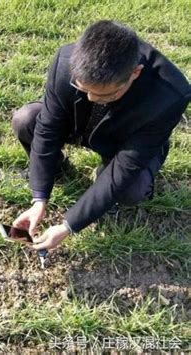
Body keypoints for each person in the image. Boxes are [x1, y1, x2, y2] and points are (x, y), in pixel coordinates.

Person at [11, 20, 190, 252]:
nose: (92, 99)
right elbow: (48, 129)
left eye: (105, 95)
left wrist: (68, 225)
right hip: (82, 125)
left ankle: (103, 178)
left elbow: (126, 167)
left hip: (127, 142)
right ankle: (58, 169)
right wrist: (39, 199)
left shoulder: (170, 95)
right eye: (84, 90)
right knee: (25, 120)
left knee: (132, 189)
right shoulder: (64, 62)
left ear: (135, 73)